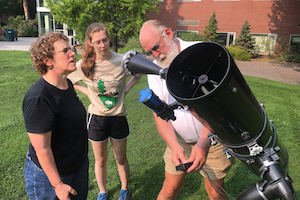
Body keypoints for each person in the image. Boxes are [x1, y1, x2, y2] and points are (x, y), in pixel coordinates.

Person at [139, 19, 234, 200]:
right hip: (180, 142)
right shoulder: (154, 68)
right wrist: (174, 146)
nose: (155, 55)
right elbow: (159, 112)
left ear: (168, 33)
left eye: (157, 47)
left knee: (215, 193)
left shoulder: (202, 52)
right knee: (169, 189)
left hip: (213, 138)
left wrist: (204, 142)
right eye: (150, 51)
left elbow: (218, 104)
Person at [67, 22, 141, 200]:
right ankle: (102, 192)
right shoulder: (84, 64)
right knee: (100, 160)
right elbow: (69, 80)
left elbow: (137, 75)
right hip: (97, 120)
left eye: (105, 40)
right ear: (90, 42)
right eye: (98, 41)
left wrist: (125, 90)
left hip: (118, 118)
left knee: (120, 158)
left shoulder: (122, 60)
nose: (103, 45)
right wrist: (86, 91)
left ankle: (124, 189)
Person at [22, 32, 89, 200]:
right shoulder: (39, 98)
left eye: (72, 49)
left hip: (77, 166)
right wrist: (58, 185)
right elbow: (42, 148)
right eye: (65, 51)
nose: (73, 53)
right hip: (50, 177)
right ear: (47, 61)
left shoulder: (67, 84)